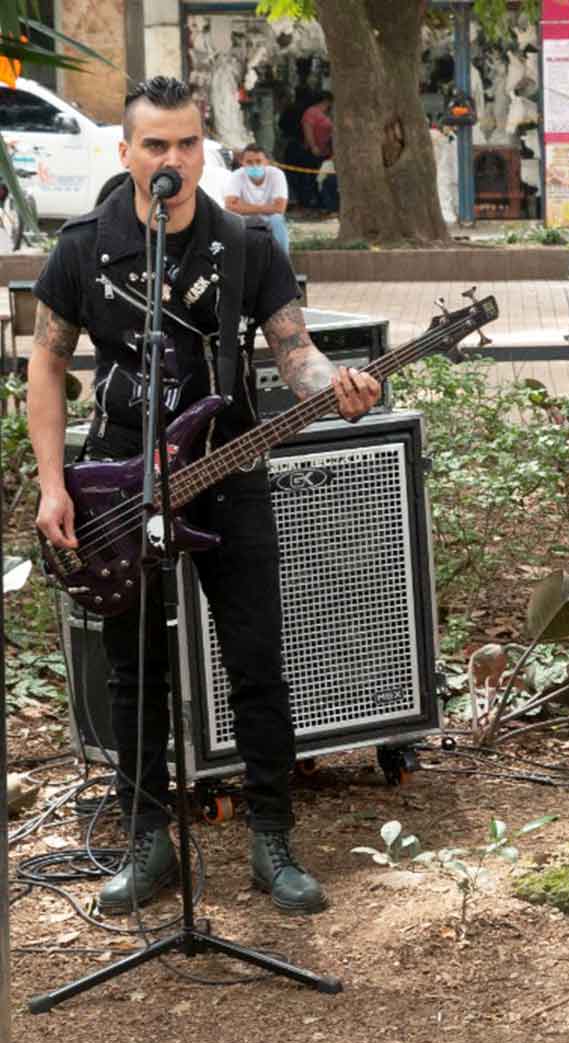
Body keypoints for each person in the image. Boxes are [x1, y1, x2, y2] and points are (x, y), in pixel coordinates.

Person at [27, 77, 382, 915]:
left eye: (188, 145)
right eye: (156, 145)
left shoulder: (249, 248)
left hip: (227, 472)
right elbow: (46, 362)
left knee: (257, 661)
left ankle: (271, 842)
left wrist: (334, 383)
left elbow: (295, 355)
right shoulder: (83, 249)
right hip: (117, 478)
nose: (173, 162)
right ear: (126, 155)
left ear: (204, 151)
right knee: (132, 672)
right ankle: (148, 843)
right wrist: (52, 486)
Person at [224, 143, 291, 254]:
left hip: (269, 219)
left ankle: (284, 261)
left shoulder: (277, 174)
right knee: (230, 223)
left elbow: (280, 209)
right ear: (242, 163)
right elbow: (230, 206)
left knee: (277, 219)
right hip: (245, 220)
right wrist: (267, 208)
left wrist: (243, 206)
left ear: (266, 162)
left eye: (258, 161)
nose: (254, 165)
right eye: (249, 162)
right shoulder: (236, 176)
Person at [300, 91, 335, 212]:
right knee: (312, 177)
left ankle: (322, 202)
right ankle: (312, 202)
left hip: (325, 151)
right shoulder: (311, 112)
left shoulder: (325, 114)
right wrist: (313, 145)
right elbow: (308, 129)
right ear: (325, 101)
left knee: (321, 176)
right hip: (313, 150)